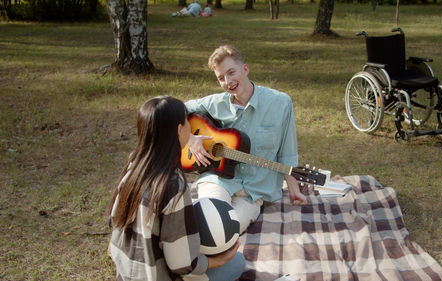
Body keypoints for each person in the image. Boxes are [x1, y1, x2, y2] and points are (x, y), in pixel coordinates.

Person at [108, 96, 245, 281]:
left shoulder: (135, 163)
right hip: (155, 275)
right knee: (237, 262)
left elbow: (114, 220)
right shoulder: (173, 185)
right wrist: (219, 260)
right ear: (180, 130)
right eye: (187, 123)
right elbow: (181, 265)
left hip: (124, 272)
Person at [185, 45, 308, 234]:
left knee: (225, 231)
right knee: (205, 223)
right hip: (217, 180)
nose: (228, 81)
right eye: (221, 78)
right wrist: (190, 138)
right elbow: (171, 109)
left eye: (231, 72)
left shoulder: (281, 103)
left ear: (245, 69)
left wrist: (294, 189)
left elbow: (287, 152)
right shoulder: (215, 103)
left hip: (254, 192)